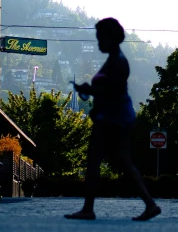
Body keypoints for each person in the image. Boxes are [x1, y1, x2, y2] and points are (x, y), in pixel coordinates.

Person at [65, 17, 161, 222]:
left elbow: (112, 92)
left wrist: (88, 89)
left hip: (113, 117)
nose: (98, 43)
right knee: (124, 162)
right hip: (114, 115)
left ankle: (88, 208)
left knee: (95, 160)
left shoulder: (118, 62)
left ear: (111, 38)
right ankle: (150, 204)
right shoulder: (114, 59)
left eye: (101, 38)